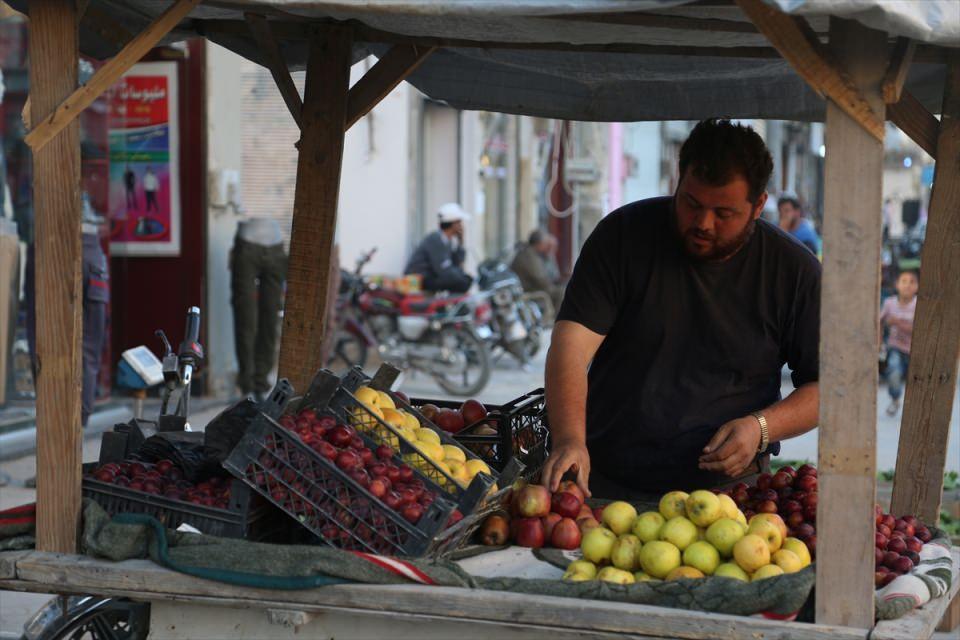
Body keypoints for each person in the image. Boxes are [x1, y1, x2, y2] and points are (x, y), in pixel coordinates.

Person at [542, 119, 822, 499]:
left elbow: (830, 388)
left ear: (758, 205)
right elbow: (571, 346)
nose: (703, 223)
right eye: (691, 203)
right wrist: (570, 439)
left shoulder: (794, 271)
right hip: (608, 482)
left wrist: (762, 426)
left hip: (730, 497)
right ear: (679, 179)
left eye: (723, 213)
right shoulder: (622, 236)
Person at [405, 203, 473, 293]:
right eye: (459, 222)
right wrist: (462, 276)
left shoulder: (446, 241)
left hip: (431, 277)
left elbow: (456, 264)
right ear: (453, 224)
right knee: (462, 281)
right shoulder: (435, 239)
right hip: (418, 280)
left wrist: (460, 242)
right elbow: (444, 271)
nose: (461, 226)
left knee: (464, 280)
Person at [879, 270, 918, 416]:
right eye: (904, 281)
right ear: (897, 285)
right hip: (895, 347)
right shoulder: (889, 303)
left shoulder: (918, 304)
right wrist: (879, 341)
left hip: (915, 350)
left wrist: (897, 323)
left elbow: (918, 329)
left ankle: (916, 409)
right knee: (894, 373)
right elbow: (880, 322)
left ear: (917, 286)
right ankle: (895, 398)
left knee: (918, 380)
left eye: (912, 282)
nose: (907, 285)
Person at [510, 229, 565, 313]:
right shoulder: (529, 255)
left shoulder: (535, 254)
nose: (547, 247)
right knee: (562, 292)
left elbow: (552, 274)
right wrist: (552, 287)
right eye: (545, 244)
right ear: (539, 244)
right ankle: (557, 320)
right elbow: (539, 278)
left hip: (534, 287)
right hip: (528, 289)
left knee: (562, 289)